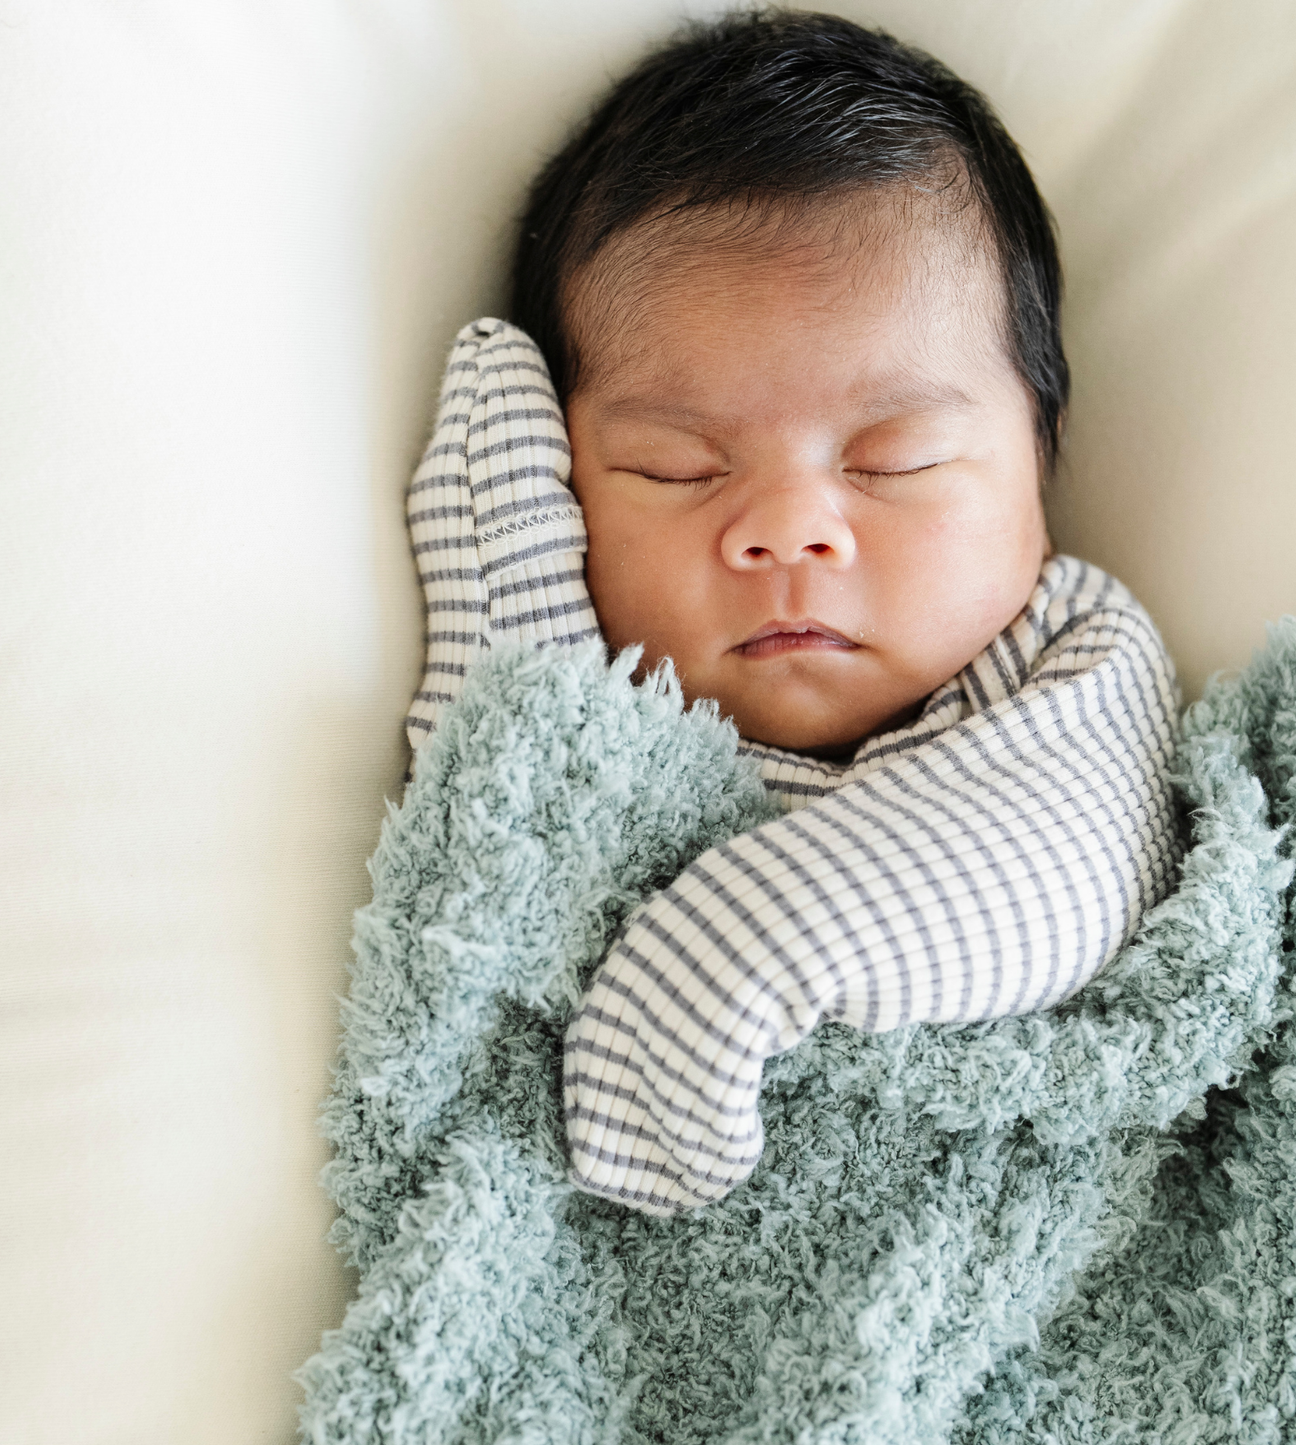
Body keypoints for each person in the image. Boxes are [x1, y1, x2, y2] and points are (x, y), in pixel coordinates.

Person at [404, 9, 1182, 1215]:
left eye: (895, 456)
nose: (787, 526)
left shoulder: (1063, 659)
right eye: (674, 466)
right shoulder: (598, 707)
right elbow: (488, 833)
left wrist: (728, 962)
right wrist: (499, 519)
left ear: (1040, 461)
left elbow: (1067, 867)